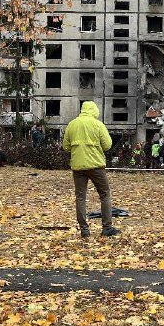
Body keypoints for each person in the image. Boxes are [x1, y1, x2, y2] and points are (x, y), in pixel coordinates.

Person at [62, 101, 119, 238]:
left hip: (78, 167)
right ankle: (107, 227)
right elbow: (107, 145)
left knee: (80, 197)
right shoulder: (98, 125)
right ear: (95, 111)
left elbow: (66, 146)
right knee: (105, 194)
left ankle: (84, 230)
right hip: (96, 166)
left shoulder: (72, 124)